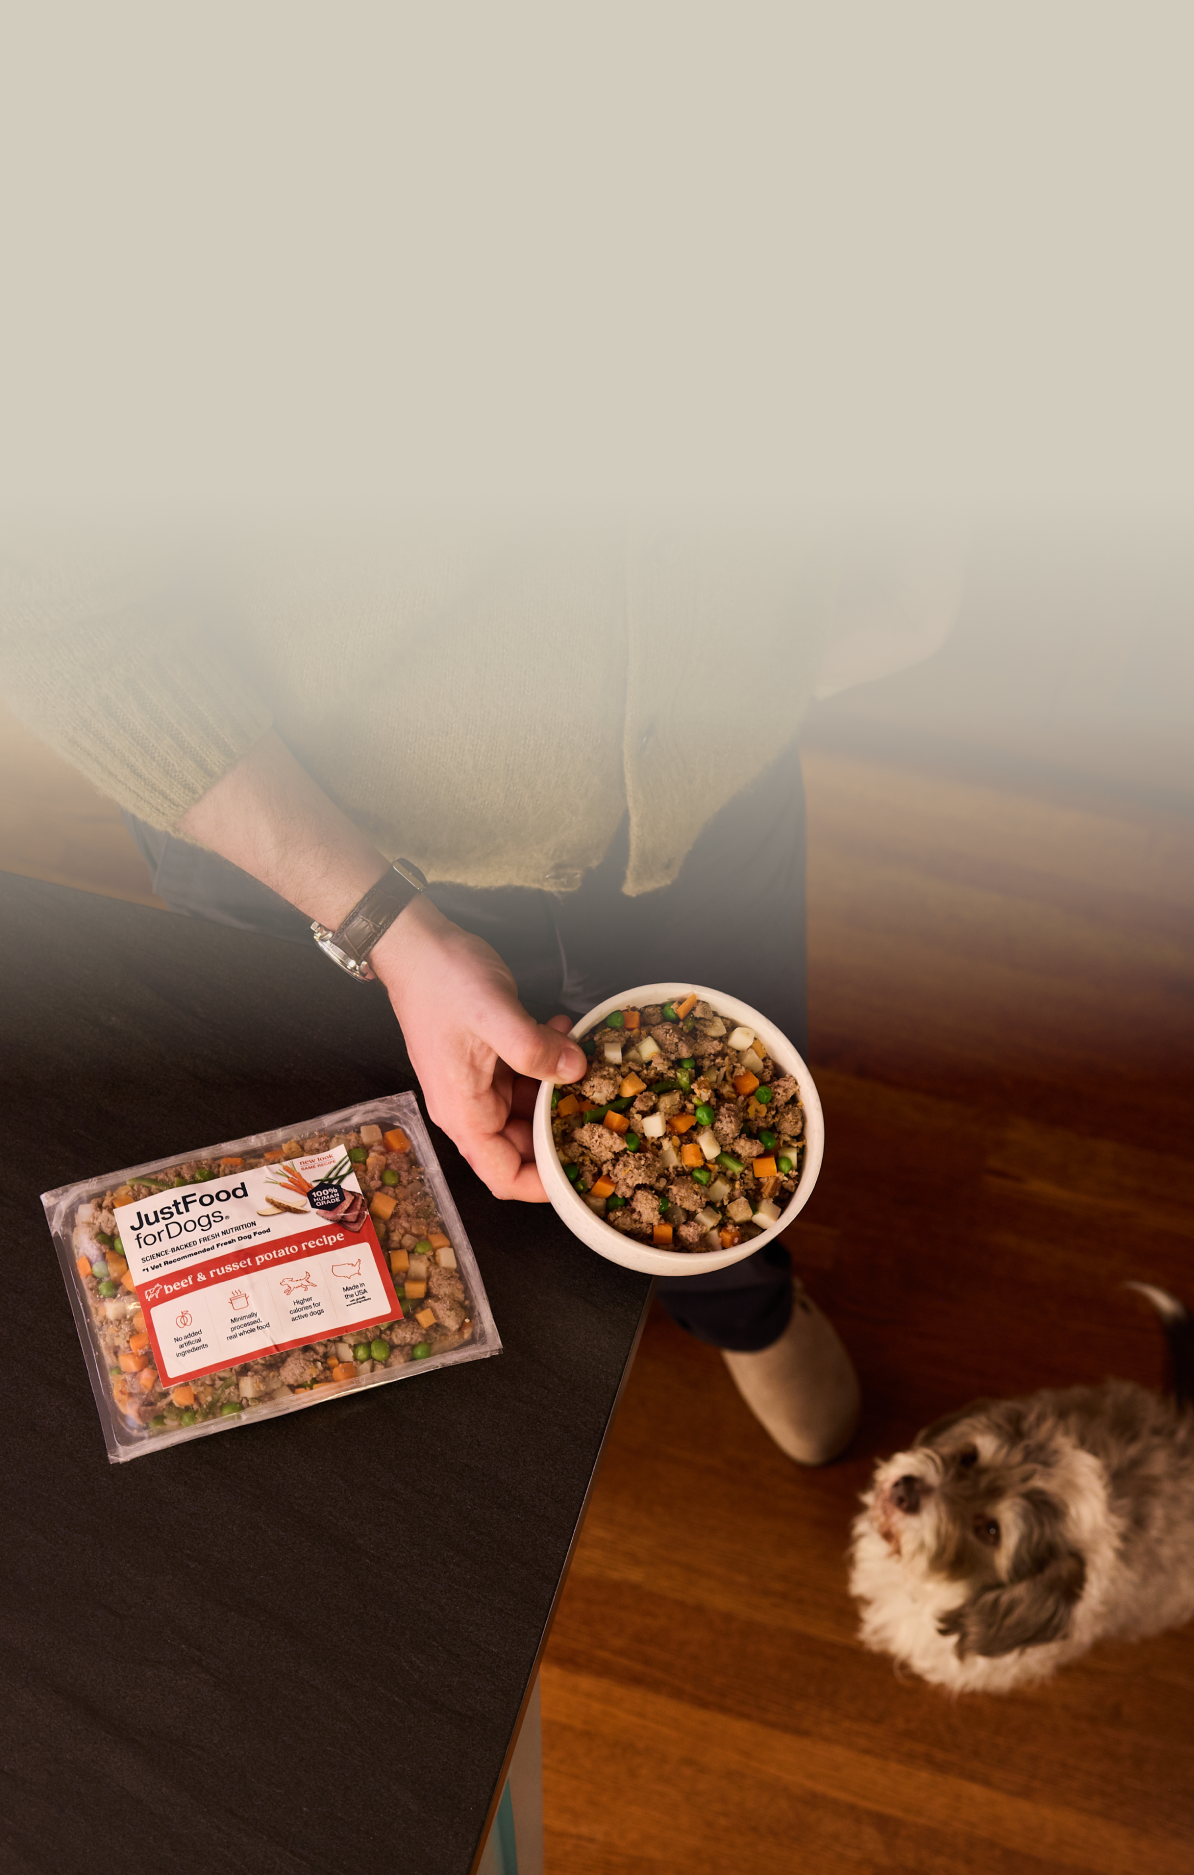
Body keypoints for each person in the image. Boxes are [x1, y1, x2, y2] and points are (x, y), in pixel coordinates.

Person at [1, 510, 962, 1463]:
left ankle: (738, 1302)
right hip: (311, 830)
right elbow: (50, 596)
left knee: (728, 1111)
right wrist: (381, 922)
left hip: (705, 782)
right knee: (363, 1187)